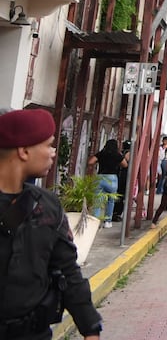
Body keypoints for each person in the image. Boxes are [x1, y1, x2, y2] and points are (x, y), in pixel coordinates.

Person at [0, 108, 103, 340]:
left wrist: (90, 329)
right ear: (24, 151)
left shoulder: (47, 205)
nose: (53, 153)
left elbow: (68, 270)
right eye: (48, 145)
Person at [85, 139, 124, 228]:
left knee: (98, 200)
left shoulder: (101, 153)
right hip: (112, 178)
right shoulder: (117, 155)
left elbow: (90, 162)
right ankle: (108, 221)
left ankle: (95, 221)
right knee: (111, 200)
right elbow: (125, 164)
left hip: (100, 177)